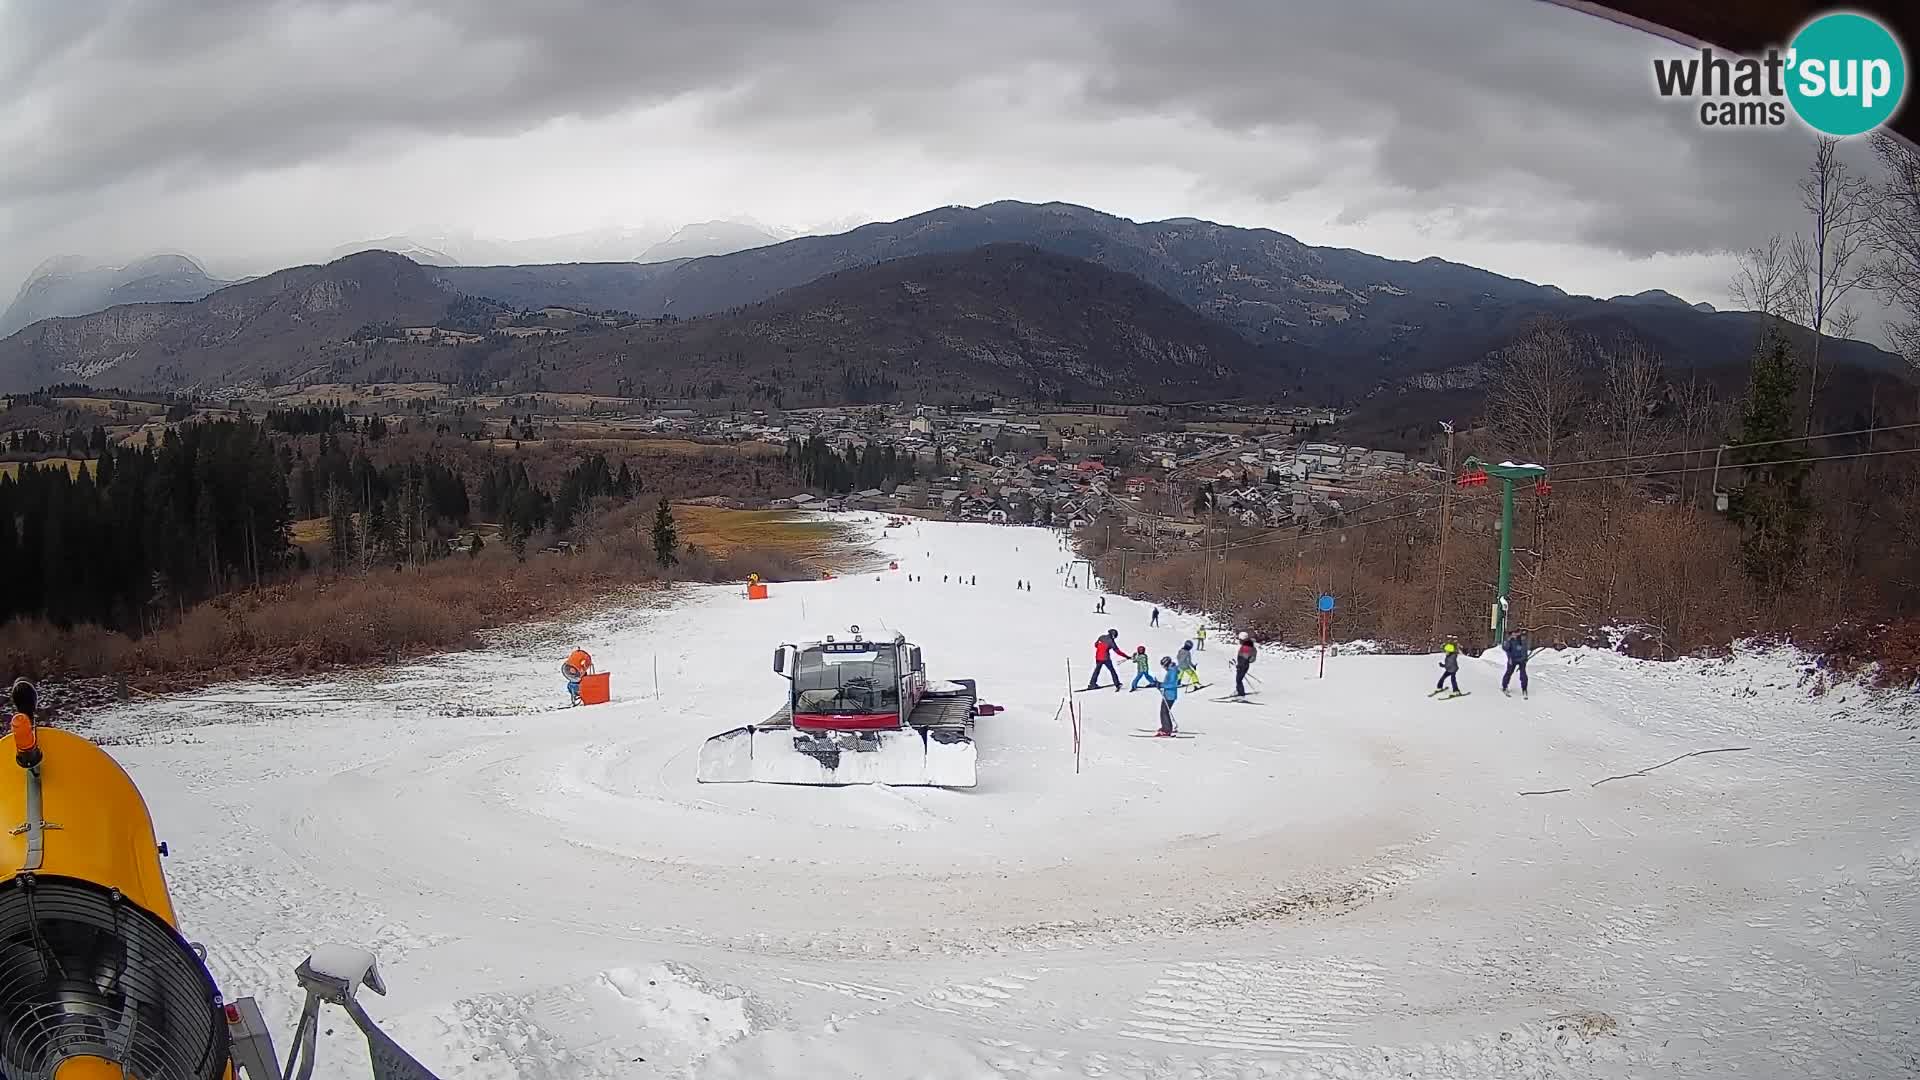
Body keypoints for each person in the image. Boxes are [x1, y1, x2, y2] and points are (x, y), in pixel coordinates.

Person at [1156, 656, 1181, 735]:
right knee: (1164, 711)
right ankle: (1166, 726)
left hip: (1170, 695)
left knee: (1164, 712)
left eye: (1164, 666)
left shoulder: (1172, 671)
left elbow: (1173, 684)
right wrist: (1160, 684)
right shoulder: (1171, 670)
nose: (1164, 668)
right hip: (1168, 694)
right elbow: (1168, 682)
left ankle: (1167, 729)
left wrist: (1161, 685)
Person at [1501, 630, 1530, 698]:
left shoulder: (1522, 639)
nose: (1515, 634)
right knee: (1509, 672)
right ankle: (1504, 686)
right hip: (1512, 659)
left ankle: (1524, 688)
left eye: (1516, 633)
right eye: (1513, 633)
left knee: (1523, 675)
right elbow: (1505, 648)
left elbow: (1524, 649)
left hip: (1521, 660)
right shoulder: (1509, 640)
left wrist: (1525, 658)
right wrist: (1508, 640)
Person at [1232, 632, 1258, 697]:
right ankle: (1238, 690)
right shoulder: (1247, 645)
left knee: (1238, 680)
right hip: (1243, 665)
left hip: (1243, 666)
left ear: (1243, 639)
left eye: (1240, 639)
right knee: (1238, 679)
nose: (1239, 641)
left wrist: (1239, 666)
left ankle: (1241, 693)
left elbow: (1244, 659)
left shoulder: (1246, 647)